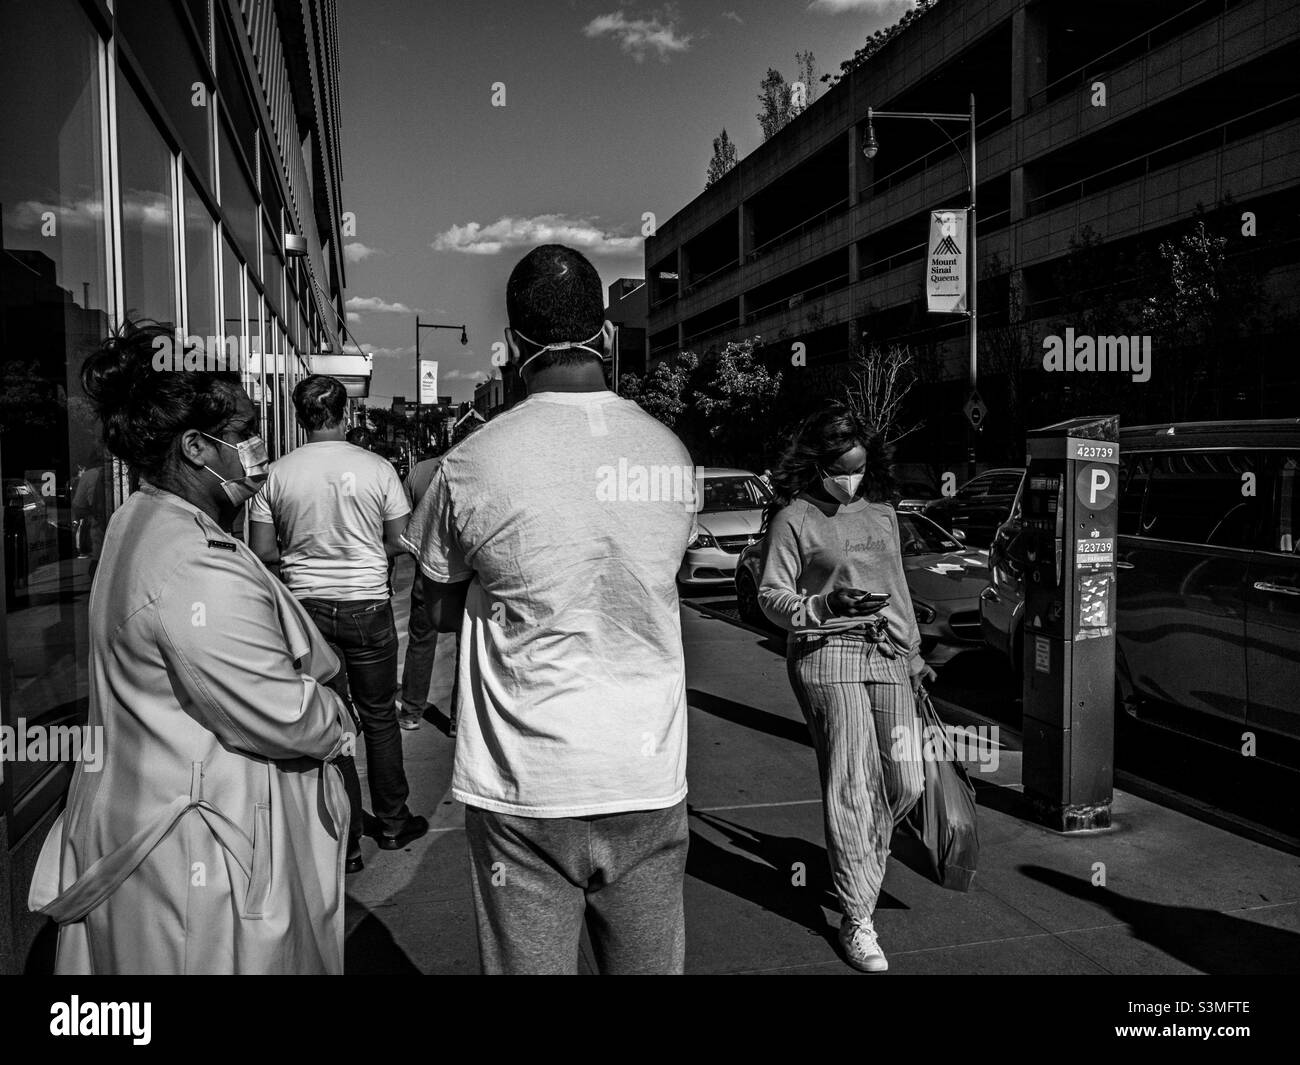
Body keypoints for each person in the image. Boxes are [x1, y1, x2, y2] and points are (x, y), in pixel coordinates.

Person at [403, 244, 697, 975]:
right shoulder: (670, 453)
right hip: (647, 776)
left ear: (513, 346)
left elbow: (436, 609)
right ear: (604, 335)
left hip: (523, 786)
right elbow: (661, 577)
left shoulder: (470, 463)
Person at [29, 323, 353, 973]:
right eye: (246, 432)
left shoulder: (143, 520)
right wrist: (336, 714)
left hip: (174, 838)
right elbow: (282, 713)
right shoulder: (191, 565)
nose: (258, 448)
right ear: (199, 448)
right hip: (202, 863)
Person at [758, 401, 936, 974]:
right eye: (840, 468)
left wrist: (913, 655)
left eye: (858, 467)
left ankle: (862, 859)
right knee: (854, 780)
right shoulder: (794, 517)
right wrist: (824, 605)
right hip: (824, 652)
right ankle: (857, 916)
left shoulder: (882, 513)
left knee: (906, 777)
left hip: (885, 649)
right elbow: (771, 597)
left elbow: (898, 587)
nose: (850, 479)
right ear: (818, 465)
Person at [249, 375, 427, 875]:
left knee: (328, 721)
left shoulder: (276, 475)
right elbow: (400, 541)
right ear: (345, 415)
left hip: (304, 612)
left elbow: (263, 552)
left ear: (301, 418)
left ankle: (344, 838)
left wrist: (304, 556)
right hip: (367, 605)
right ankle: (392, 822)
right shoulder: (377, 469)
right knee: (378, 718)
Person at [398, 438, 474, 735]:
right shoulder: (473, 468)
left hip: (428, 571)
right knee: (466, 646)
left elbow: (404, 525)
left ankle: (411, 711)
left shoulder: (419, 471)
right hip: (467, 572)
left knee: (420, 641)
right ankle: (458, 719)